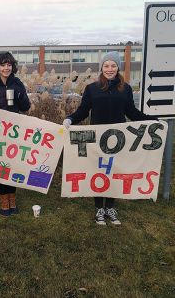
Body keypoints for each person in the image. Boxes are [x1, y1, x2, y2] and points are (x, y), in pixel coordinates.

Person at [62, 51, 157, 226]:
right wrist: (70, 119)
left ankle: (110, 207)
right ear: (102, 68)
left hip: (118, 140)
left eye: (113, 65)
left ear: (118, 67)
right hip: (98, 139)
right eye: (106, 66)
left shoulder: (126, 88)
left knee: (114, 172)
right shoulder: (92, 88)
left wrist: (151, 121)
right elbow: (83, 111)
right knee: (99, 172)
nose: (110, 69)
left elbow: (131, 112)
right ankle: (99, 208)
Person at [0, 52, 31, 216]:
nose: (6, 68)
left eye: (9, 65)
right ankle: (4, 201)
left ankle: (12, 199)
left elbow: (25, 107)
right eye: (3, 65)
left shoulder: (17, 83)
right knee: (1, 167)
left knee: (12, 165)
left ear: (12, 66)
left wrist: (20, 95)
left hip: (14, 131)